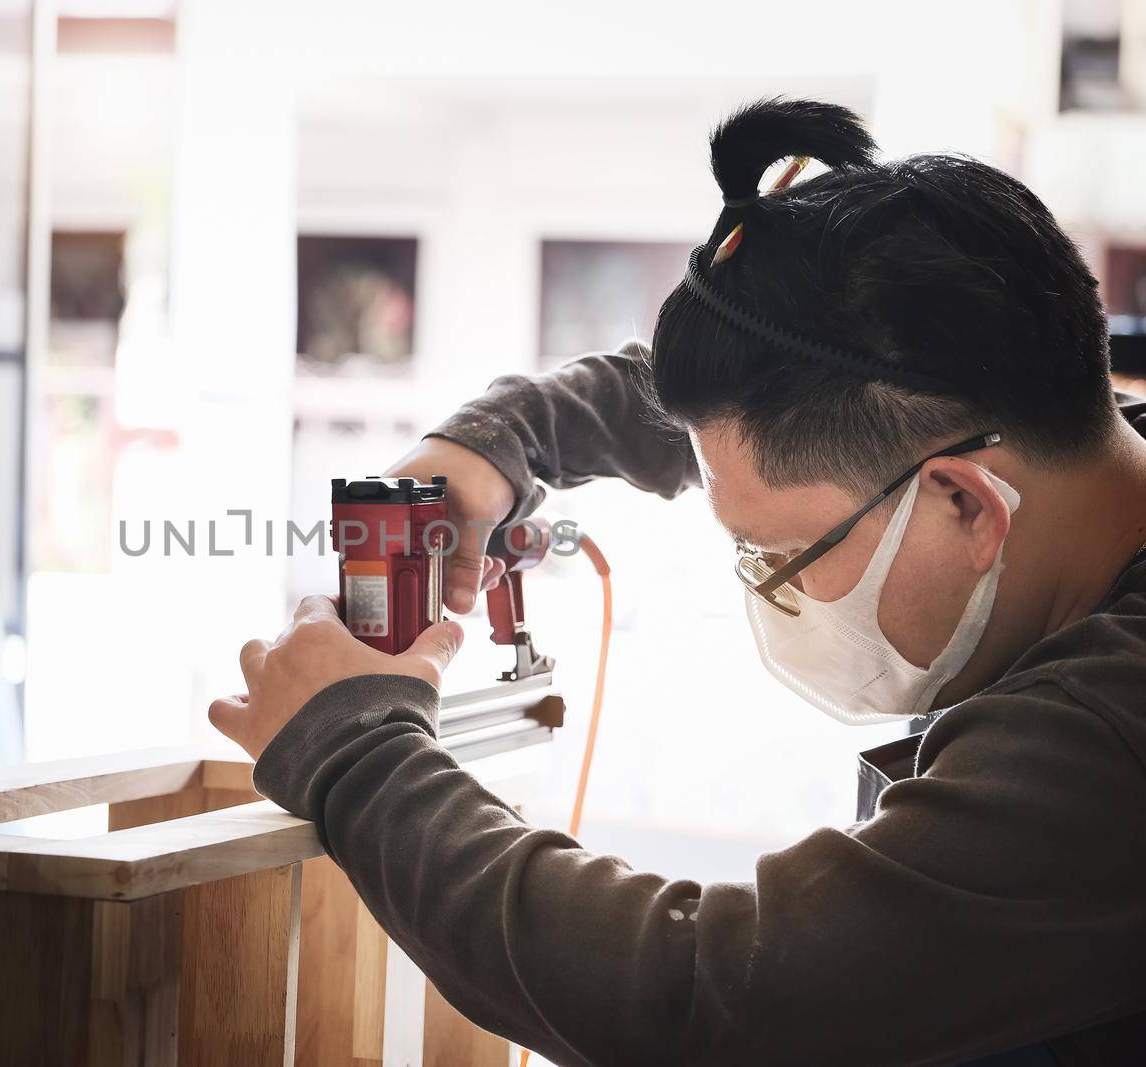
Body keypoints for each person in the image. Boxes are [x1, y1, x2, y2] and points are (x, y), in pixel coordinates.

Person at [207, 99, 1146, 1065]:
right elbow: (816, 410)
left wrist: (359, 752)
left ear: (966, 507)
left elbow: (705, 996)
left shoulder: (1112, 737)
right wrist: (514, 432)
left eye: (779, 555)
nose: (767, 590)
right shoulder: (1056, 438)